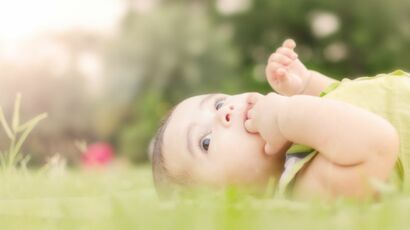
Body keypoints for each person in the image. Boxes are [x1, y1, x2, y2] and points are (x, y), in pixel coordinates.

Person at [151, 39, 410, 200]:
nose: (223, 112)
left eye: (218, 102)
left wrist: (307, 85)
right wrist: (285, 115)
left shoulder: (304, 139)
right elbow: (377, 142)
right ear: (232, 201)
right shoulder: (305, 189)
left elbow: (354, 105)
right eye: (205, 142)